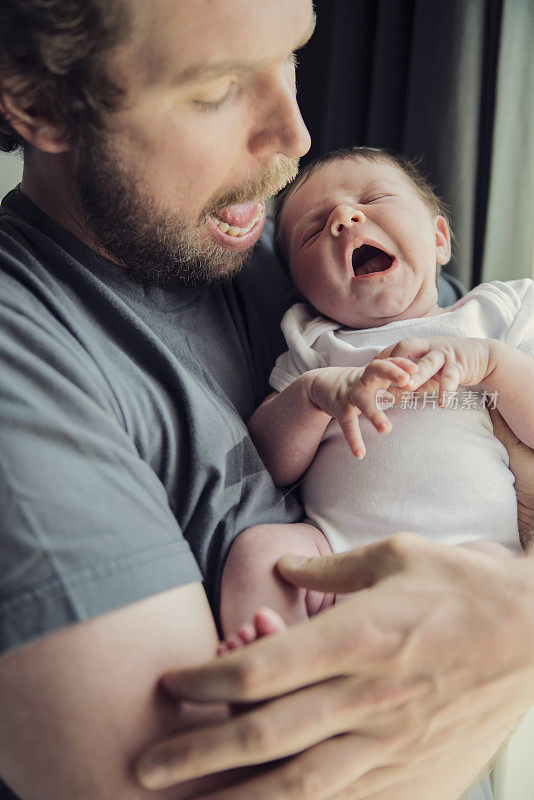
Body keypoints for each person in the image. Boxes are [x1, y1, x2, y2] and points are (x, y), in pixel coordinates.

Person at [0, 3, 533, 800]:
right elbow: (205, 782)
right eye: (215, 88)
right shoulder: (27, 360)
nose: (295, 136)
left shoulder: (274, 246)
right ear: (39, 105)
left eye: (292, 55)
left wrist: (511, 622)